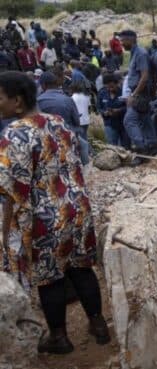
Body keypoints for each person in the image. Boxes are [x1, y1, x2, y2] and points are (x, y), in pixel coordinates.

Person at [0, 71, 109, 354]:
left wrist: (5, 233)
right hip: (77, 208)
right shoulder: (58, 122)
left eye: (0, 98)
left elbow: (10, 190)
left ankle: (59, 338)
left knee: (49, 277)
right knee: (81, 267)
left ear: (17, 101)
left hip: (45, 219)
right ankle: (98, 324)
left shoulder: (14, 134)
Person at [120, 29, 157, 165]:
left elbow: (145, 76)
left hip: (140, 94)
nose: (121, 43)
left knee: (129, 121)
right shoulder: (135, 53)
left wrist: (133, 95)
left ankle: (142, 151)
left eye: (123, 40)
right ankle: (152, 145)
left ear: (131, 39)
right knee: (145, 119)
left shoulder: (140, 53)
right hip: (141, 93)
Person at [98, 73, 129, 148]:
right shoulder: (102, 93)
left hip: (123, 124)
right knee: (112, 147)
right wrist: (104, 113)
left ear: (116, 84)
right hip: (109, 124)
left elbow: (129, 107)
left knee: (126, 147)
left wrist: (119, 110)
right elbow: (99, 108)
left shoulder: (123, 92)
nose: (110, 89)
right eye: (107, 87)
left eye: (112, 87)